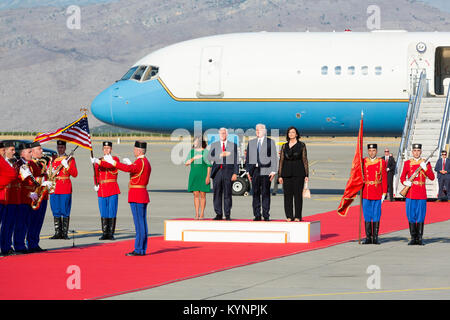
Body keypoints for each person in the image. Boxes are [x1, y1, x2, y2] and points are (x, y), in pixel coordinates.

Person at [103, 141, 151, 256]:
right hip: (142, 194)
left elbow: (127, 169)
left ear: (139, 151)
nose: (134, 151)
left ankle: (139, 249)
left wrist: (113, 162)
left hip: (137, 195)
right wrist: (131, 165)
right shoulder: (145, 162)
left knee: (139, 224)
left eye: (135, 149)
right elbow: (134, 170)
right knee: (142, 223)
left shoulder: (140, 162)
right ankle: (142, 248)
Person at [400, 143, 435, 245]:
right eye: (415, 151)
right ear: (412, 152)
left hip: (421, 193)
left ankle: (419, 238)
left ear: (421, 151)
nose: (416, 153)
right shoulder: (407, 163)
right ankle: (412, 238)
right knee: (411, 215)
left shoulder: (425, 163)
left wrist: (425, 168)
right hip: (410, 193)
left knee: (420, 216)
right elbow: (402, 177)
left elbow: (432, 177)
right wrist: (405, 182)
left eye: (418, 151)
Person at [245, 124, 278, 221]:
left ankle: (266, 214)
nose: (257, 132)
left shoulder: (270, 142)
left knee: (265, 193)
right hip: (254, 171)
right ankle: (257, 215)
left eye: (259, 130)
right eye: (256, 130)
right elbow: (248, 159)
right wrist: (247, 171)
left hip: (266, 170)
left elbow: (274, 157)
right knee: (255, 193)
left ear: (264, 131)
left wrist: (273, 171)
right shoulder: (251, 142)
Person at [14, 143, 41, 254]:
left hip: (30, 197)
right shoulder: (18, 165)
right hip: (22, 197)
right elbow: (18, 183)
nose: (31, 153)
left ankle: (26, 244)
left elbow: (39, 175)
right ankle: (19, 245)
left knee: (27, 223)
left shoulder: (30, 164)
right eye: (29, 152)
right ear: (22, 153)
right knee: (20, 223)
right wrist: (29, 194)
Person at [278, 126, 309, 222]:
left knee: (298, 196)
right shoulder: (284, 146)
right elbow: (281, 161)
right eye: (289, 132)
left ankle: (297, 216)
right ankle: (289, 216)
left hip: (298, 173)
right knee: (287, 196)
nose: (291, 134)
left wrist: (306, 175)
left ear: (296, 134)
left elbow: (305, 160)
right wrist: (280, 175)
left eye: (293, 132)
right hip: (286, 174)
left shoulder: (302, 145)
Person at [91, 141, 121, 240]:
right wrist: (96, 184)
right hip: (102, 188)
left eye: (108, 148)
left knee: (112, 211)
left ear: (111, 149)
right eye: (104, 148)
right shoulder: (98, 160)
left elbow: (109, 166)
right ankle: (105, 233)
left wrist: (97, 161)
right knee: (103, 211)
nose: (106, 150)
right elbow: (95, 174)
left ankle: (111, 233)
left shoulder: (115, 159)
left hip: (112, 188)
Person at [49, 140, 78, 240]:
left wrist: (67, 166)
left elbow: (74, 174)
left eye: (62, 147)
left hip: (65, 187)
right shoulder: (53, 159)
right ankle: (58, 233)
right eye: (58, 147)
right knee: (55, 210)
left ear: (65, 148)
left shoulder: (70, 159)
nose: (60, 149)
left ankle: (64, 233)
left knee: (65, 210)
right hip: (54, 187)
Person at [208, 128, 239, 220]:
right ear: (219, 134)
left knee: (227, 194)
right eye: (221, 133)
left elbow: (236, 160)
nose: (223, 134)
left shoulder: (233, 145)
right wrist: (220, 155)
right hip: (217, 172)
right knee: (217, 193)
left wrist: (235, 173)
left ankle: (227, 214)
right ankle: (218, 213)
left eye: (224, 133)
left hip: (228, 173)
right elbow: (209, 157)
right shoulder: (214, 145)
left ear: (227, 134)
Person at [26, 141, 51, 253]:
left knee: (39, 221)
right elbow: (30, 181)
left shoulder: (41, 163)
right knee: (32, 221)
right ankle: (30, 243)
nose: (42, 151)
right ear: (33, 151)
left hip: (43, 196)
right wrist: (42, 183)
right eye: (39, 149)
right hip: (35, 196)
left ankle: (35, 243)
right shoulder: (30, 164)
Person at [361, 144, 387, 244]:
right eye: (370, 150)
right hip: (366, 192)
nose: (372, 152)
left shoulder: (381, 162)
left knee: (376, 215)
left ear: (376, 151)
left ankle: (375, 238)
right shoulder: (364, 161)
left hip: (377, 192)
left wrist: (384, 193)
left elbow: (384, 178)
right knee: (367, 215)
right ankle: (368, 237)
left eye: (374, 150)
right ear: (368, 151)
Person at [185, 136, 211, 220]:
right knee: (196, 195)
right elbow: (186, 163)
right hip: (194, 175)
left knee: (203, 195)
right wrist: (193, 158)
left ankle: (202, 213)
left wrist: (208, 177)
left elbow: (209, 165)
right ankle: (196, 213)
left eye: (196, 142)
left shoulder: (206, 152)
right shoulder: (192, 152)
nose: (195, 143)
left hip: (203, 175)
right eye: (194, 142)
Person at [0, 141, 18, 256]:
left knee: (8, 225)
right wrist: (3, 184)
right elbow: (12, 175)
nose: (14, 152)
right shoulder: (2, 161)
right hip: (3, 196)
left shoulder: (12, 162)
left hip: (9, 198)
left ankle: (6, 247)